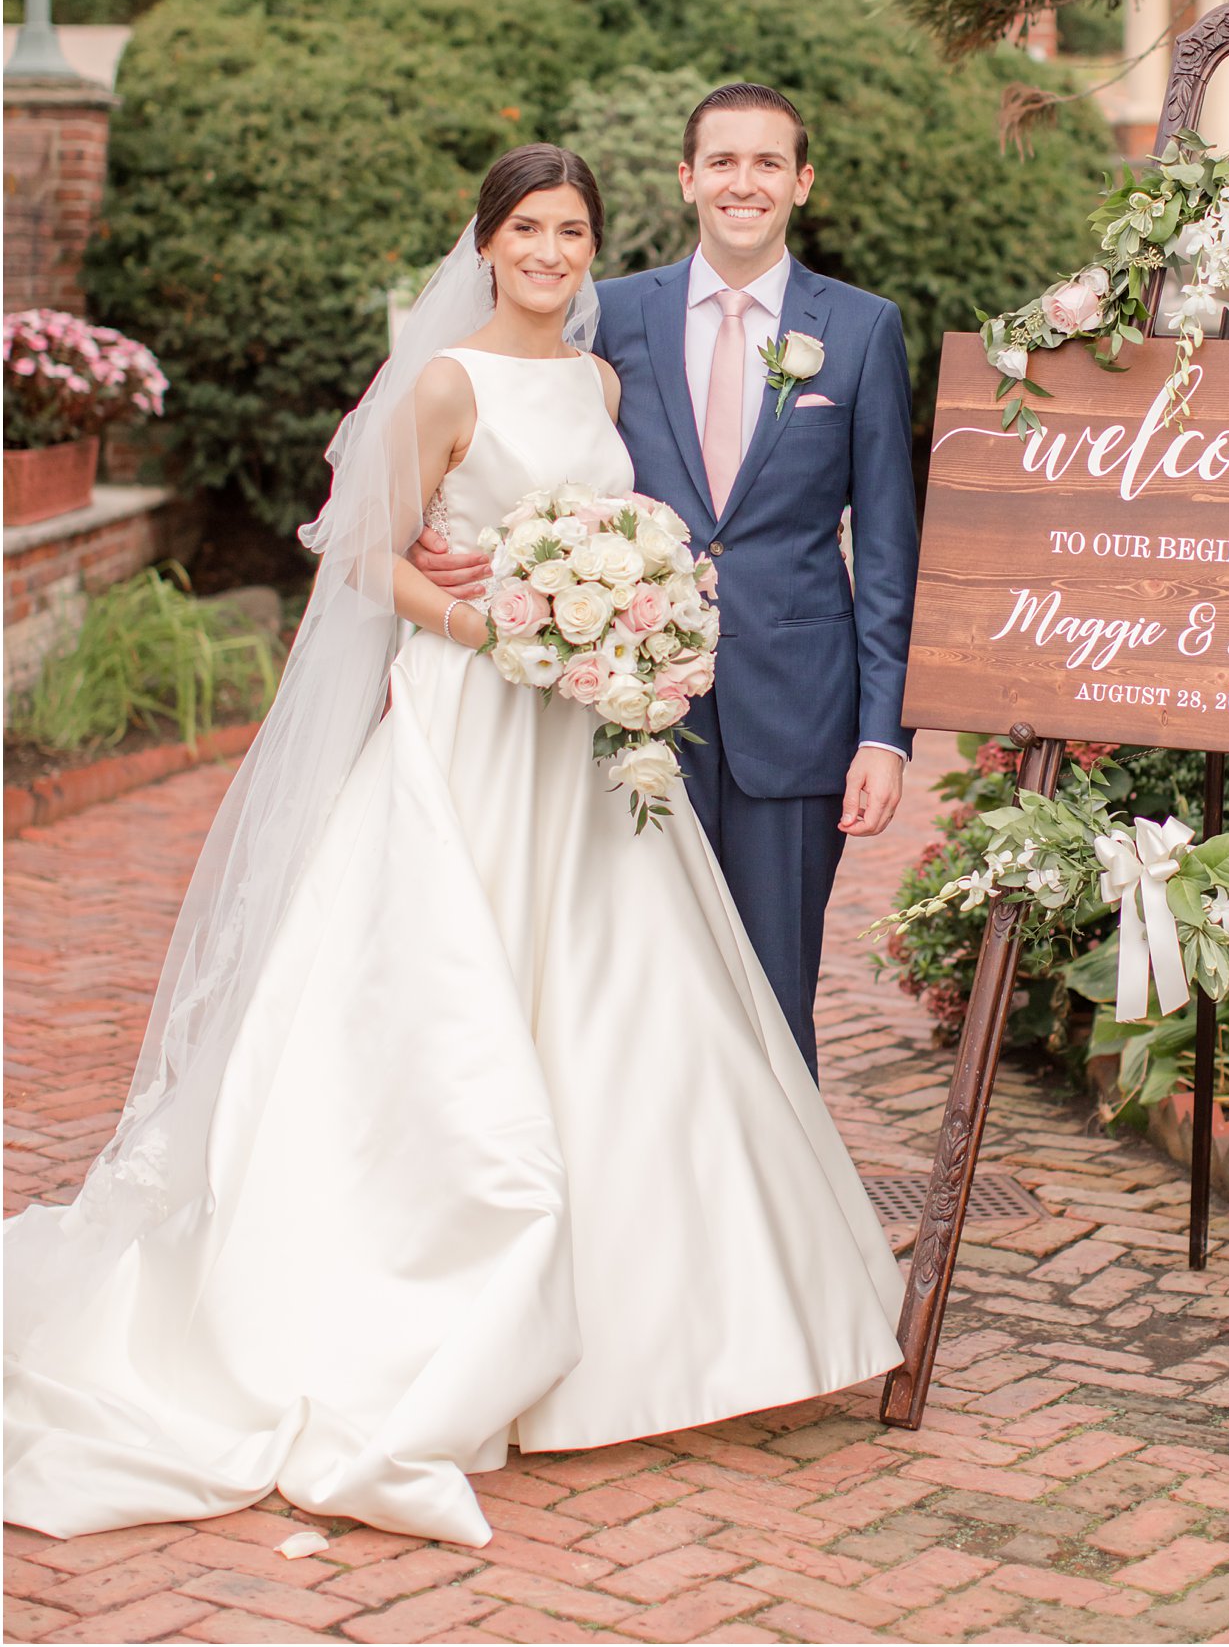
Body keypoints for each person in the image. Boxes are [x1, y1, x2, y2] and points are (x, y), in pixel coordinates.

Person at [4, 146, 904, 1550]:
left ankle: (672, 1329)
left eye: (574, 231)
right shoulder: (442, 384)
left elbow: (628, 531)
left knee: (630, 1000)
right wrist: (503, 628)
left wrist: (625, 621)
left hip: (583, 743)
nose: (551, 251)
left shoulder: (605, 385)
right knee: (449, 994)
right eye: (529, 229)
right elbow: (361, 553)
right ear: (483, 244)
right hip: (468, 725)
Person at [412, 84, 920, 1074]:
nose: (744, 181)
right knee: (629, 986)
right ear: (686, 178)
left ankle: (776, 1224)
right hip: (623, 713)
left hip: (798, 713)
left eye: (767, 162)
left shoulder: (859, 329)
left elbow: (889, 544)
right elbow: (543, 463)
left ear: (801, 183)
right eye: (721, 161)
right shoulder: (614, 318)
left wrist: (880, 734)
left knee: (775, 994)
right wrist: (445, 539)